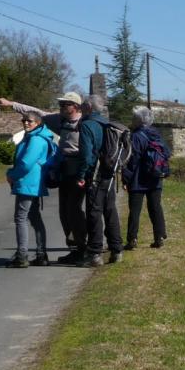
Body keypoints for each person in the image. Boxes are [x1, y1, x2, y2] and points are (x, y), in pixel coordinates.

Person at [0, 92, 88, 263]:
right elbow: (37, 113)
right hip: (65, 171)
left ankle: (83, 249)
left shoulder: (85, 124)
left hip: (78, 170)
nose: (61, 108)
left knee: (74, 211)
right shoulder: (59, 120)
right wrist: (11, 104)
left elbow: (27, 163)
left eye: (65, 104)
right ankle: (71, 250)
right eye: (61, 105)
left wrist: (11, 175)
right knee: (64, 213)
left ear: (76, 106)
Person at [4, 111, 56, 268]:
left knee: (21, 218)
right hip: (33, 183)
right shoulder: (38, 137)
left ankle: (22, 256)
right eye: (24, 120)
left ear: (38, 123)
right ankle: (41, 255)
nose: (26, 123)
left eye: (30, 121)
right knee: (34, 218)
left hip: (28, 183)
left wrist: (12, 175)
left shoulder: (36, 140)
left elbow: (26, 163)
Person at [78, 94, 123, 267]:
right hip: (109, 173)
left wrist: (82, 175)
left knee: (94, 212)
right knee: (110, 210)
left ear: (89, 107)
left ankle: (95, 254)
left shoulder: (87, 126)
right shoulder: (108, 124)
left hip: (95, 174)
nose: (81, 108)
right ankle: (116, 250)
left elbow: (86, 155)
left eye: (83, 105)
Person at [122, 106, 168, 249]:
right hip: (155, 177)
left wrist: (126, 178)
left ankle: (132, 240)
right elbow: (166, 153)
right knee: (155, 207)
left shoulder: (136, 136)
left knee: (135, 210)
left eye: (133, 118)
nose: (132, 121)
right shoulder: (156, 134)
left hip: (138, 179)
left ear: (138, 120)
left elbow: (133, 159)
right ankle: (159, 236)